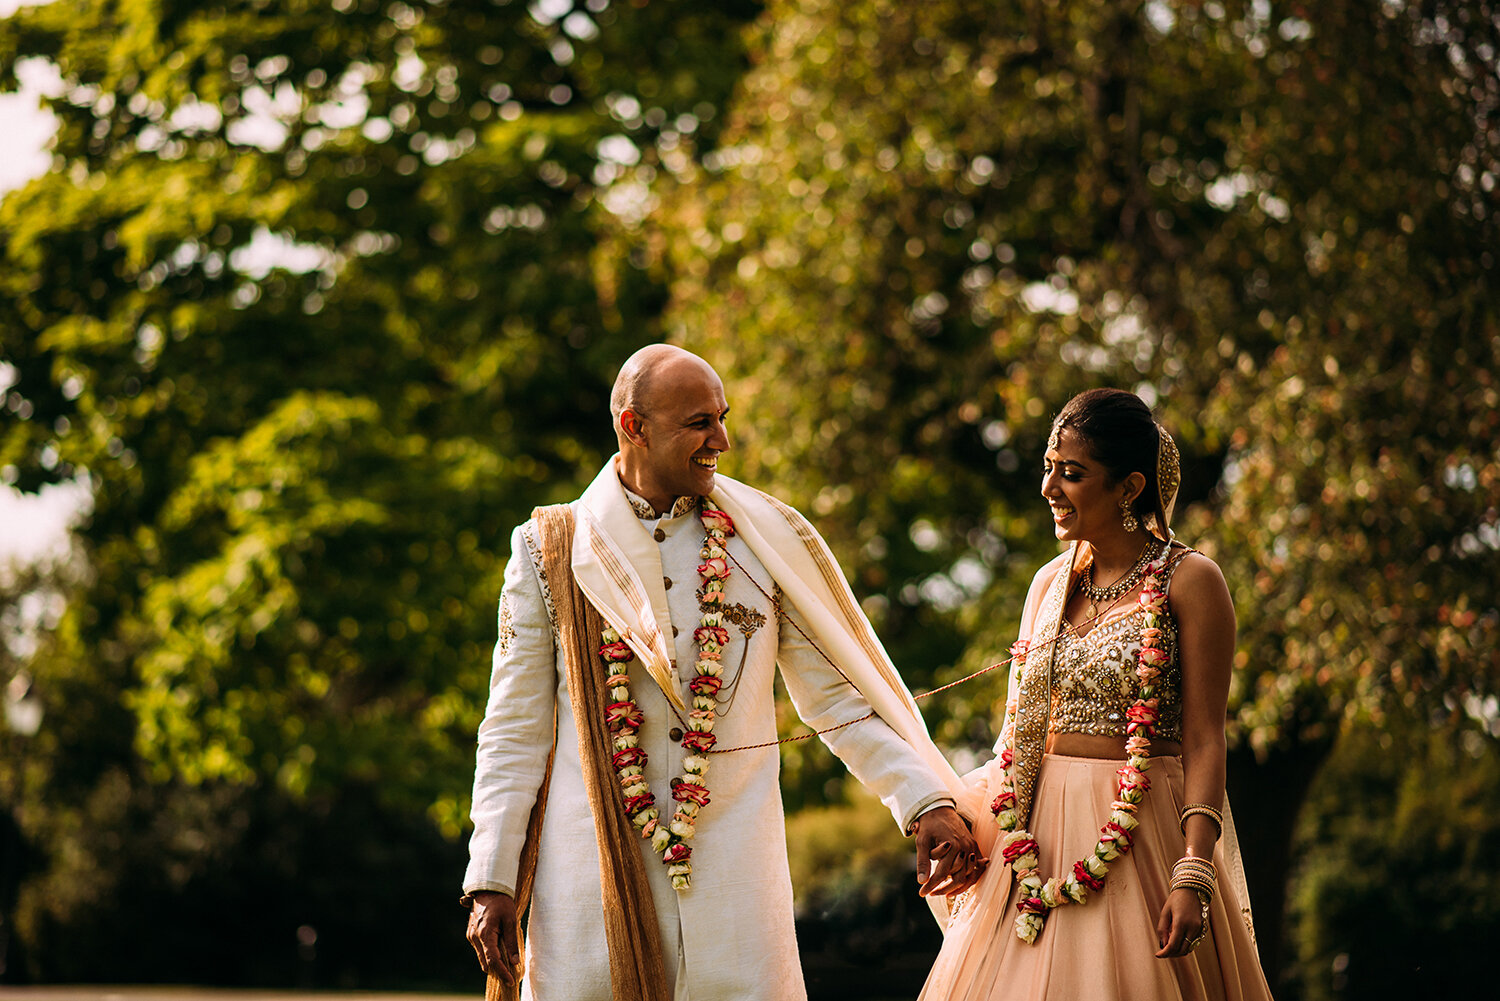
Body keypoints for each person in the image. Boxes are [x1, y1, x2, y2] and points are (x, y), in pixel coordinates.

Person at [463, 344, 985, 1001]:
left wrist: (922, 799)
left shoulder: (762, 538)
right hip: (591, 892)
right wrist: (492, 877)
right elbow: (513, 730)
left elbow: (837, 700)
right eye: (700, 423)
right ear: (634, 426)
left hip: (737, 896)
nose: (723, 440)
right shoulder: (549, 550)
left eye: (723, 417)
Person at [920, 388, 1274, 1001]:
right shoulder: (1048, 584)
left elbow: (1204, 737)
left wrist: (1193, 871)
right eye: (1048, 468)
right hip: (1031, 844)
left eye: (1072, 474)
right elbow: (1016, 735)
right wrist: (955, 814)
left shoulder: (1190, 580)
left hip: (1140, 836)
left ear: (1129, 487)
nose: (1049, 489)